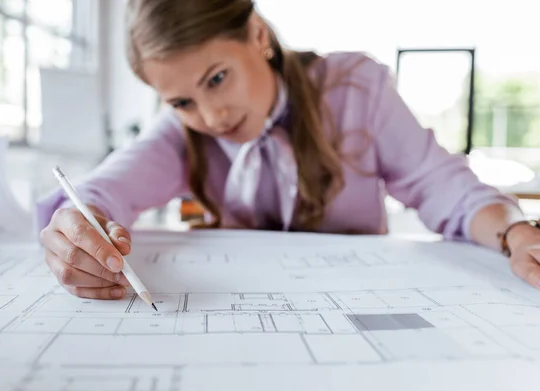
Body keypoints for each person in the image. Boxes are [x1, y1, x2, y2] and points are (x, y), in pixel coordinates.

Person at [36, 0, 540, 300]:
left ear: (257, 35)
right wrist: (79, 225)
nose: (212, 117)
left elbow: (442, 186)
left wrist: (516, 232)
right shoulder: (182, 132)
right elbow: (104, 189)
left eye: (217, 79)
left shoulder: (355, 89)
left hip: (354, 306)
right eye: (182, 100)